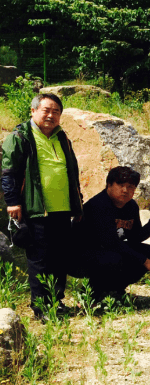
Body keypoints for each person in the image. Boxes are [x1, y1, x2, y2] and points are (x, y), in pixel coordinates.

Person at [2, 93, 83, 318]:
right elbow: (8, 173)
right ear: (33, 111)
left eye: (56, 111)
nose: (51, 115)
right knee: (40, 260)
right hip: (36, 209)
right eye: (46, 110)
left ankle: (56, 301)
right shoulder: (20, 137)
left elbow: (72, 173)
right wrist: (12, 202)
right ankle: (41, 307)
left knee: (60, 258)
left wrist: (78, 203)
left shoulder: (62, 137)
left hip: (62, 209)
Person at [76, 167, 150, 304]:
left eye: (130, 187)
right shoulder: (98, 205)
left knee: (149, 251)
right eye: (120, 185)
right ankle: (93, 293)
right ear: (109, 185)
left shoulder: (131, 206)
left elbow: (135, 238)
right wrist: (145, 261)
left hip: (110, 249)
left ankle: (115, 290)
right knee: (115, 258)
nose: (125, 190)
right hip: (81, 254)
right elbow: (110, 242)